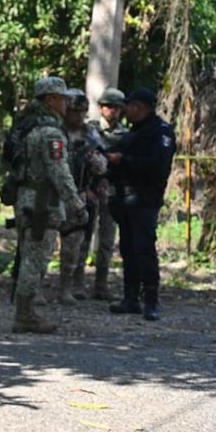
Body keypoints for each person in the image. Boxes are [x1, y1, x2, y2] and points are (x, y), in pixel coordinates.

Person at [11, 76, 87, 333]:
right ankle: (25, 314)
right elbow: (60, 173)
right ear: (51, 99)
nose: (67, 103)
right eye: (63, 98)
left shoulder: (29, 126)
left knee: (31, 256)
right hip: (42, 203)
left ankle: (26, 310)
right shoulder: (51, 133)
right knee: (35, 259)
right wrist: (76, 204)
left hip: (28, 199)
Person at [105, 87, 177, 321]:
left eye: (130, 105)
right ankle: (130, 298)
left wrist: (124, 160)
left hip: (145, 200)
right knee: (128, 248)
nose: (126, 110)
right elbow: (118, 154)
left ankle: (151, 302)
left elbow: (157, 166)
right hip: (125, 199)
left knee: (145, 249)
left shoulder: (161, 132)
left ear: (140, 107)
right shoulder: (134, 133)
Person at [59, 89, 107, 305]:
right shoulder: (54, 131)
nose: (78, 116)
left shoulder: (90, 134)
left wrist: (93, 187)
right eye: (74, 111)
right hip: (54, 195)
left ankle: (70, 286)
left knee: (77, 244)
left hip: (80, 193)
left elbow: (100, 164)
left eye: (82, 112)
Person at [86, 87, 129, 300]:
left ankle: (100, 285)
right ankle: (74, 282)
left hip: (112, 190)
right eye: (108, 106)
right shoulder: (90, 130)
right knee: (83, 235)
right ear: (101, 107)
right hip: (90, 189)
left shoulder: (125, 134)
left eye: (116, 107)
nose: (112, 110)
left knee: (107, 239)